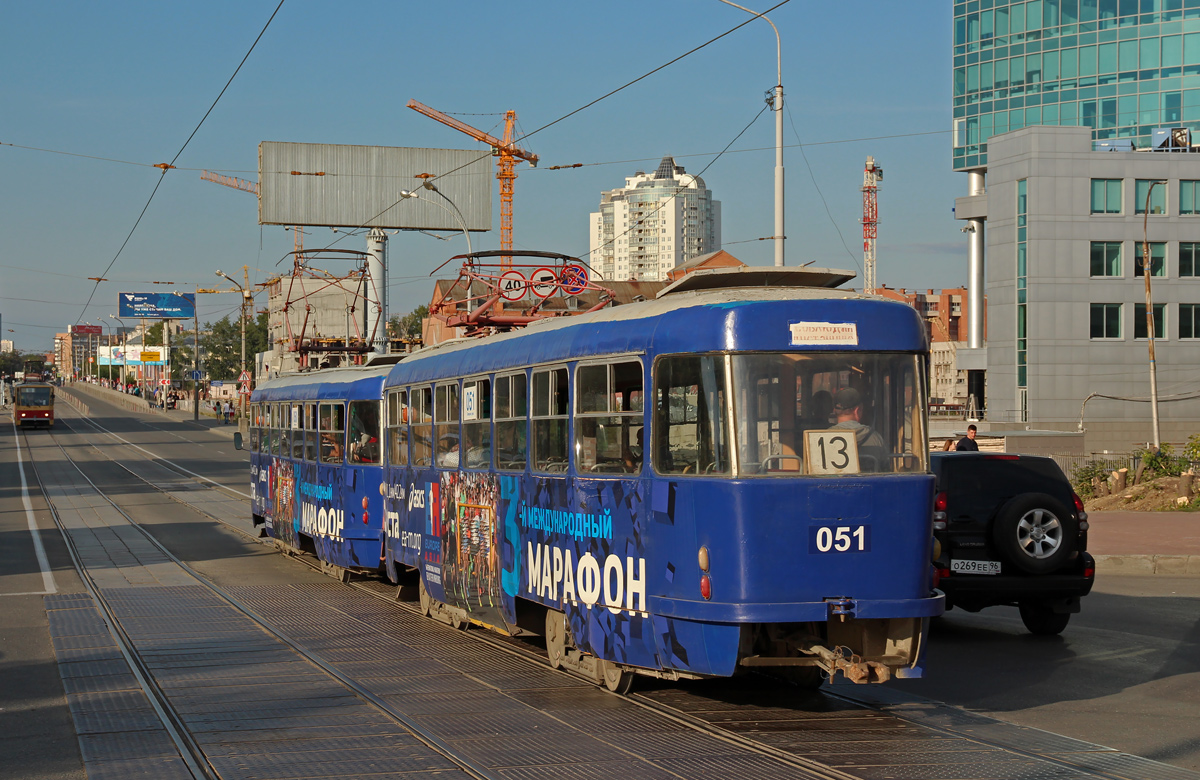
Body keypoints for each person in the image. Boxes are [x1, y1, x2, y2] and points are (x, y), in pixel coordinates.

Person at [829, 387, 888, 470]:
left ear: (835, 411)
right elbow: (885, 469)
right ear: (857, 410)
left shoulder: (822, 437)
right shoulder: (875, 437)